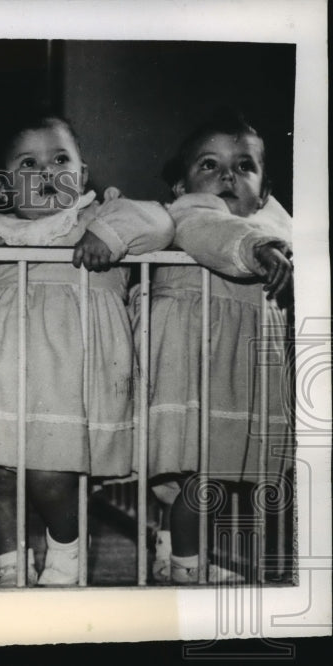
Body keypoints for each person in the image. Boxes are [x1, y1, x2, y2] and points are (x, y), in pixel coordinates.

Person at [0, 113, 173, 586]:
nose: (47, 173)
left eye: (59, 160)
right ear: (6, 187)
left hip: (71, 376)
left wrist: (106, 238)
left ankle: (66, 555)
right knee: (2, 476)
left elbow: (161, 221)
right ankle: (11, 568)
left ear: (83, 174)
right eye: (28, 164)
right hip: (3, 371)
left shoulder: (100, 219)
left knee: (54, 476)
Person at [144, 110, 293, 584]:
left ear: (265, 191)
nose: (227, 176)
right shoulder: (190, 213)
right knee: (203, 475)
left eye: (244, 166)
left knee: (213, 474)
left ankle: (171, 551)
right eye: (209, 165)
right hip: (192, 361)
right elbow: (218, 233)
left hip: (236, 364)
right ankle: (188, 570)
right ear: (180, 186)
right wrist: (258, 250)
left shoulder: (277, 230)